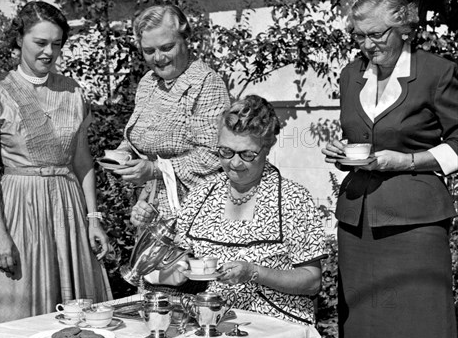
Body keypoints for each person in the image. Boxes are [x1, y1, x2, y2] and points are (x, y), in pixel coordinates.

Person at [321, 0, 458, 338]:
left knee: (418, 328)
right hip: (356, 221)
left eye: (377, 34)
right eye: (360, 35)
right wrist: (341, 150)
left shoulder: (436, 72)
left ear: (404, 28)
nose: (368, 44)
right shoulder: (351, 75)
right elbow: (365, 137)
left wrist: (411, 161)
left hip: (414, 223)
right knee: (363, 328)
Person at [134, 95, 326, 325]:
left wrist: (254, 272)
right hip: (205, 322)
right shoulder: (201, 194)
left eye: (247, 154)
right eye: (225, 152)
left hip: (271, 326)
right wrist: (151, 224)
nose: (234, 163)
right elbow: (175, 262)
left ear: (267, 147)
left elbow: (312, 281)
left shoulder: (293, 199)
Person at [0, 1, 112, 324]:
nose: (48, 52)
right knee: (18, 307)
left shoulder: (72, 92)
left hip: (67, 210)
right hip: (19, 208)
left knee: (77, 313)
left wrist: (93, 218)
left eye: (56, 44)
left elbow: (82, 162)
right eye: (40, 42)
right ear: (19, 39)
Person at [114, 5, 230, 221]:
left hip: (194, 208)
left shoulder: (205, 82)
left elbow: (213, 154)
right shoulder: (148, 82)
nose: (158, 58)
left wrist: (156, 169)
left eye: (167, 47)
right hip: (150, 203)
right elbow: (139, 135)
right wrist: (123, 154)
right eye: (149, 51)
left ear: (185, 40)